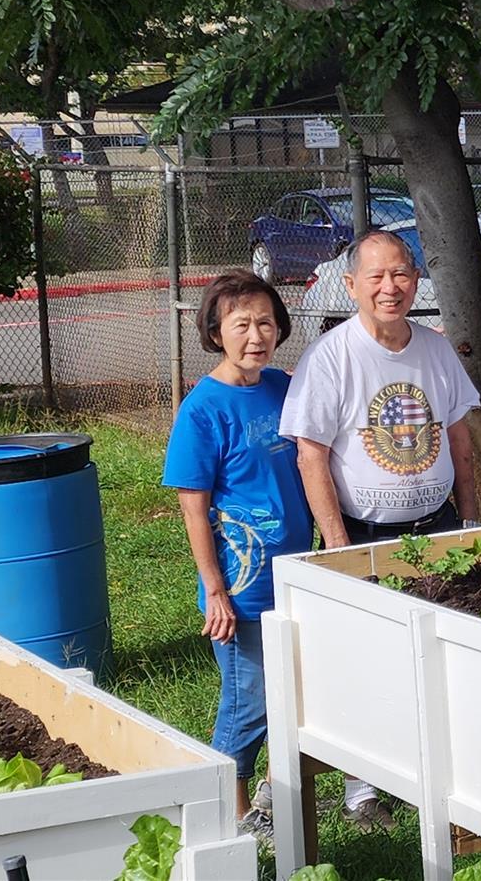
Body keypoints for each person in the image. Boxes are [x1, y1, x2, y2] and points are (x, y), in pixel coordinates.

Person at [280, 230, 481, 829]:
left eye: (401, 274)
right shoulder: (331, 357)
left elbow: (460, 439)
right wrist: (338, 546)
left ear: (416, 280)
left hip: (436, 529)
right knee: (361, 660)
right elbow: (310, 456)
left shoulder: (436, 350)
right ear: (352, 286)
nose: (390, 287)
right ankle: (361, 791)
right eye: (376, 277)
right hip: (362, 534)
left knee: (438, 654)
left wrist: (469, 520)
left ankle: (434, 774)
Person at [162, 270, 310, 843]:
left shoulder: (284, 387)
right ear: (216, 332)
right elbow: (193, 507)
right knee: (250, 701)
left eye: (266, 323)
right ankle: (227, 814)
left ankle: (271, 801)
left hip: (296, 573)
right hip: (242, 583)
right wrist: (215, 589)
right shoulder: (202, 409)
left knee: (294, 689)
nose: (257, 335)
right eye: (242, 324)